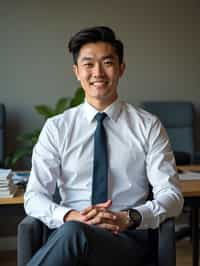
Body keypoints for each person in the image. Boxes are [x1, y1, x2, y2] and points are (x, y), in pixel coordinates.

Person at [24, 26, 183, 266]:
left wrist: (129, 217)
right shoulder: (57, 128)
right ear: (76, 72)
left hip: (126, 239)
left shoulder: (148, 125)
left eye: (107, 62)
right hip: (70, 233)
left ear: (121, 68)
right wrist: (71, 216)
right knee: (74, 232)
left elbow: (171, 195)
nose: (98, 72)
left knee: (73, 234)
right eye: (88, 64)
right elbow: (34, 196)